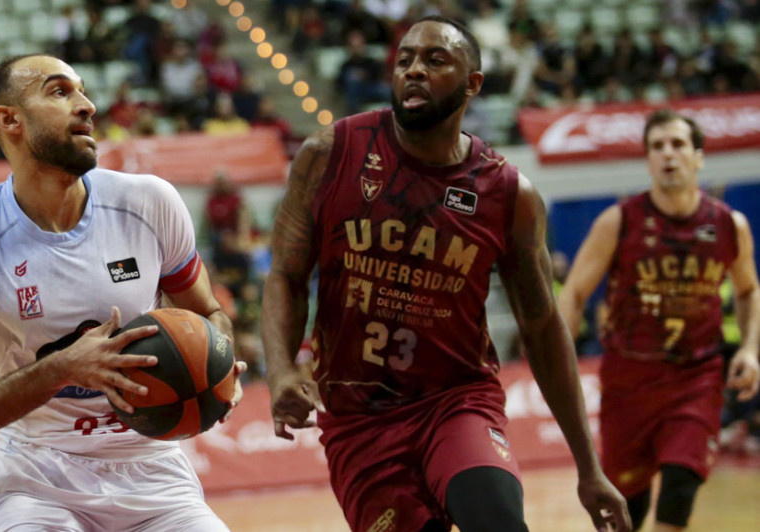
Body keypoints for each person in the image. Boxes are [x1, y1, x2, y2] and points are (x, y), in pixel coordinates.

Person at [261, 16, 630, 532]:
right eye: (405, 59)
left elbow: (543, 328)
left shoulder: (507, 193)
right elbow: (285, 276)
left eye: (435, 60)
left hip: (455, 402)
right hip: (359, 419)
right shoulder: (330, 154)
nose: (414, 70)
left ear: (472, 84)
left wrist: (589, 469)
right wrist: (280, 371)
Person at [0, 55, 244, 532]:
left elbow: (208, 312)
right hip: (34, 480)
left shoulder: (150, 202)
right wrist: (60, 370)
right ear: (9, 120)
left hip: (153, 475)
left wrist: (219, 361)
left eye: (83, 90)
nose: (86, 105)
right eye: (60, 92)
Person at [557, 108, 760, 532]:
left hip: (695, 377)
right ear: (648, 159)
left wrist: (750, 348)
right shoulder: (619, 221)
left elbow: (748, 290)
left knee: (681, 484)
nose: (668, 154)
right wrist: (559, 359)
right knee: (626, 511)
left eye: (678, 144)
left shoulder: (728, 224)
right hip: (628, 380)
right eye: (658, 147)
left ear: (698, 156)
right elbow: (574, 293)